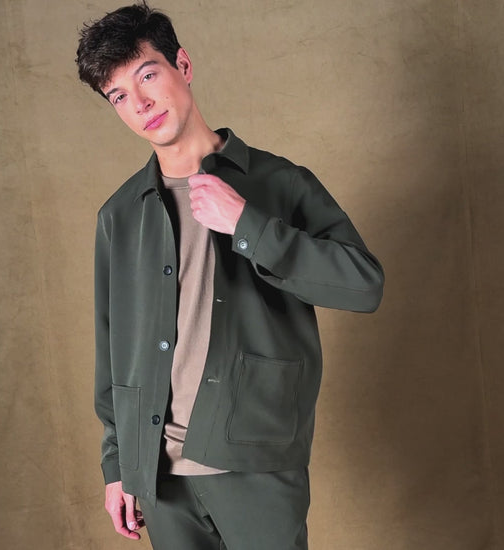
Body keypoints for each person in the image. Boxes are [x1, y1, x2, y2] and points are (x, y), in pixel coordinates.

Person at [76, 2, 384, 549]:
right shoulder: (119, 216)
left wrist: (249, 225)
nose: (139, 103)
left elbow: (364, 285)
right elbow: (112, 349)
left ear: (183, 65)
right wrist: (117, 464)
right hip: (159, 479)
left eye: (147, 75)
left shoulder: (278, 182)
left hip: (256, 462)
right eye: (118, 95)